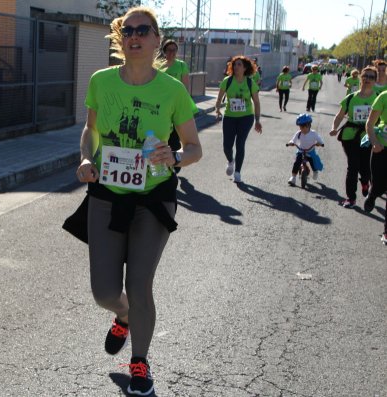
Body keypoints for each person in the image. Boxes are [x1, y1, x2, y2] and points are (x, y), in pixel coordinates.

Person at [67, 7, 202, 395]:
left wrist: (175, 156)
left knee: (140, 284)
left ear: (157, 39)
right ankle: (122, 313)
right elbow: (90, 132)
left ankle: (140, 361)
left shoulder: (172, 90)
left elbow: (194, 148)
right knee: (104, 292)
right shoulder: (102, 81)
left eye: (144, 30)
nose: (135, 36)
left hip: (153, 199)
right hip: (107, 195)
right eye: (128, 30)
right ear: (120, 38)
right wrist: (86, 158)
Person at [329, 66, 378, 208]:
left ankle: (365, 181)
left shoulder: (377, 98)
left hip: (369, 137)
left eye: (371, 77)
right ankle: (351, 198)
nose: (368, 79)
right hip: (350, 136)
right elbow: (339, 116)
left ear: (375, 80)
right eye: (366, 76)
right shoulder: (350, 98)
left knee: (366, 166)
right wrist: (334, 128)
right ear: (361, 77)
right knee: (352, 166)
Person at [214, 55, 263, 183]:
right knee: (226, 146)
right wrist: (217, 109)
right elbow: (219, 98)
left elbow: (256, 103)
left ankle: (237, 172)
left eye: (239, 65)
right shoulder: (227, 81)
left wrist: (257, 120)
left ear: (245, 67)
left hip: (246, 117)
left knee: (240, 144)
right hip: (230, 117)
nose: (236, 67)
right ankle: (231, 161)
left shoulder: (250, 83)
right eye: (234, 65)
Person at [160, 39, 198, 173]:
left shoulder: (181, 66)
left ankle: (175, 166)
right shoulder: (158, 66)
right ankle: (166, 162)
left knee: (175, 137)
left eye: (174, 50)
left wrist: (183, 105)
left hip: (176, 106)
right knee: (165, 135)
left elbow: (185, 88)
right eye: (169, 50)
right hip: (161, 106)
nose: (172, 53)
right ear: (164, 51)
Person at [364, 89, 387, 244]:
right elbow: (370, 124)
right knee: (378, 184)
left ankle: (386, 232)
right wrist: (374, 142)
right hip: (382, 148)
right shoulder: (384, 96)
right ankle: (372, 195)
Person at [287, 113, 324, 186]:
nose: (301, 129)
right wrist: (291, 142)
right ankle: (293, 177)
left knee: (313, 161)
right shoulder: (299, 133)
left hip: (310, 151)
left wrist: (320, 143)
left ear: (308, 125)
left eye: (303, 127)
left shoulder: (313, 133)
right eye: (300, 127)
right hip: (301, 150)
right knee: (297, 163)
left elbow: (320, 140)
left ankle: (315, 171)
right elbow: (293, 140)